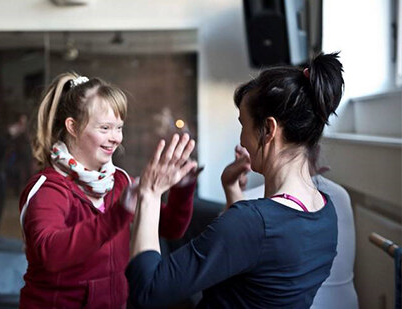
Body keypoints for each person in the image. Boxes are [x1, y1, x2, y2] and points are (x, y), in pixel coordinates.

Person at [126, 52, 344, 308]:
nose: (241, 140)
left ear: (269, 129)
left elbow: (147, 292)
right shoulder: (327, 212)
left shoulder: (252, 223)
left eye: (243, 125)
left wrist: (149, 194)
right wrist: (232, 190)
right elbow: (256, 267)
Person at [18, 73, 197, 308]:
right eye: (105, 128)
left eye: (119, 128)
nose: (115, 138)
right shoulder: (47, 189)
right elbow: (51, 254)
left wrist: (182, 189)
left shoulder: (120, 180)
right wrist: (119, 214)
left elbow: (171, 227)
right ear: (72, 126)